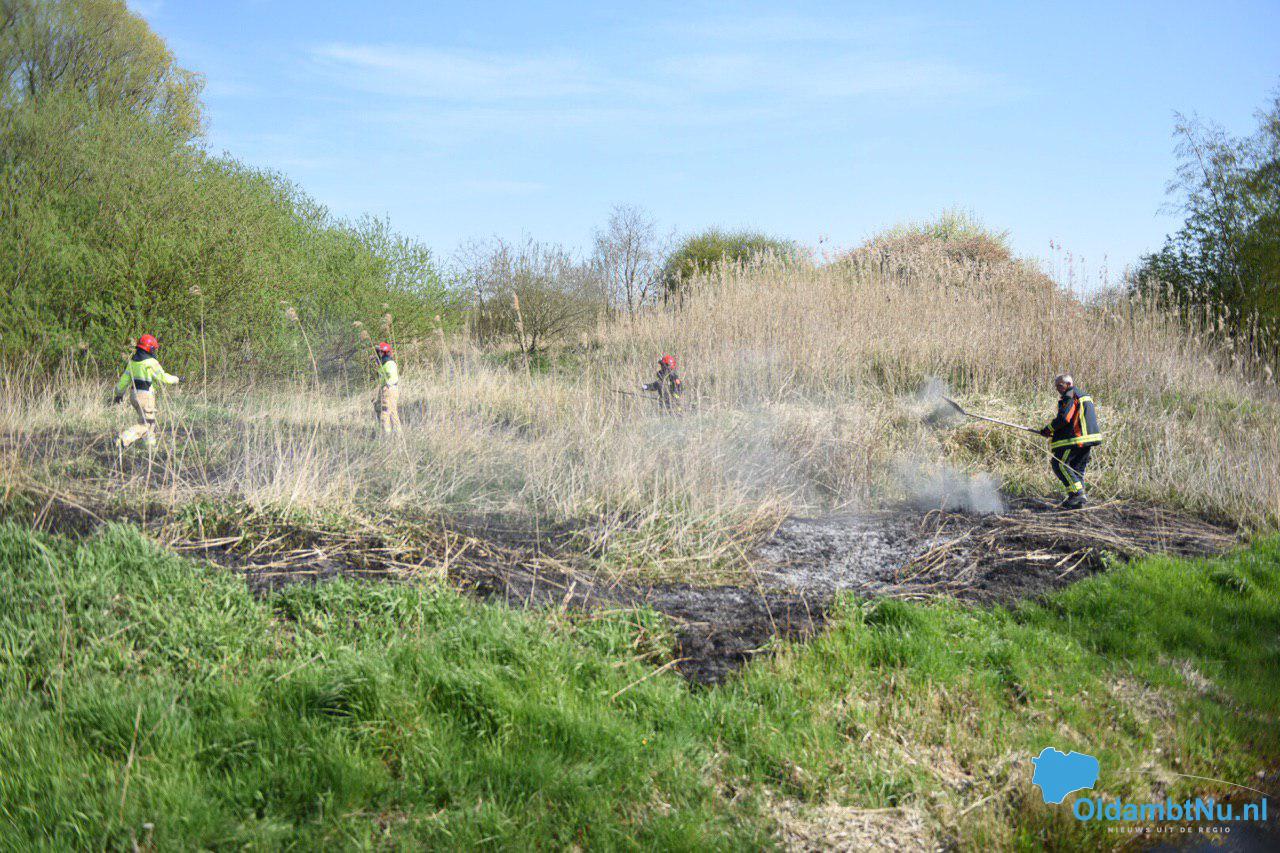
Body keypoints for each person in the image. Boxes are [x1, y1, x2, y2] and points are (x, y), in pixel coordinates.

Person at [1039, 373, 1102, 508]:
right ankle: (1078, 501)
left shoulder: (1071, 395)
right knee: (1076, 469)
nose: (1058, 388)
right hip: (1086, 439)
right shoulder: (1084, 396)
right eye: (1056, 386)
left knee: (1059, 464)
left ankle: (1077, 494)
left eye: (1060, 385)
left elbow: (1065, 418)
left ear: (1069, 384)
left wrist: (1048, 429)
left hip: (1075, 439)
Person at [113, 334, 180, 450]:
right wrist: (177, 379)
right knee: (146, 424)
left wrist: (119, 394)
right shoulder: (151, 362)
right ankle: (123, 439)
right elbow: (163, 377)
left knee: (150, 423)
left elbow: (123, 381)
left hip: (134, 395)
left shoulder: (132, 362)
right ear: (150, 349)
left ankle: (150, 447)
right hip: (146, 397)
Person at [374, 341, 402, 436]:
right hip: (391, 389)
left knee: (384, 412)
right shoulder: (387, 363)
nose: (378, 354)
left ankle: (386, 435)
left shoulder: (389, 363)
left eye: (379, 352)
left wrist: (386, 386)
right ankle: (398, 435)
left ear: (383, 352)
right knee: (393, 412)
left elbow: (390, 376)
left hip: (388, 389)